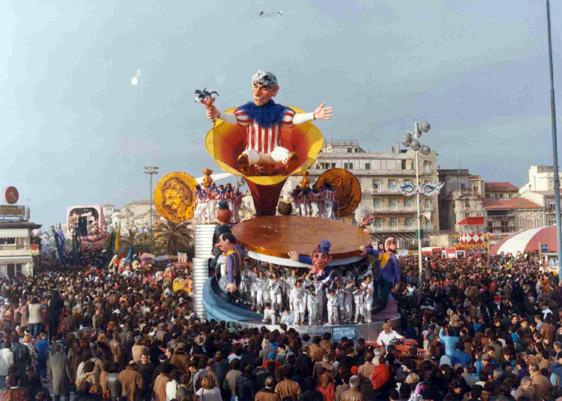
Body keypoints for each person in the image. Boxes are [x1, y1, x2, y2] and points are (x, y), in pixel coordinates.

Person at [203, 70, 333, 174]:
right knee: (247, 155)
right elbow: (233, 118)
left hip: (274, 152)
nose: (257, 93)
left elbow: (293, 119)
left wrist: (313, 115)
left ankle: (288, 161)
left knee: (284, 153)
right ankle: (245, 163)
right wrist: (218, 113)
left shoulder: (279, 111)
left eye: (264, 88)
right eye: (255, 86)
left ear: (274, 91)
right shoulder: (248, 111)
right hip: (254, 152)